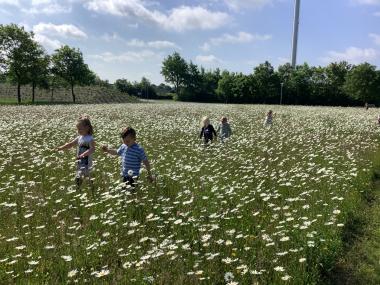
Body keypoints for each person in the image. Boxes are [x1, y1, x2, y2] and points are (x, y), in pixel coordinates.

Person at [56, 115, 95, 187]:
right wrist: (61, 148)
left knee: (87, 177)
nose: (78, 131)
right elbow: (71, 144)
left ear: (87, 128)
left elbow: (92, 149)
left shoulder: (90, 138)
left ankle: (91, 190)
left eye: (80, 129)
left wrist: (84, 154)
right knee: (78, 176)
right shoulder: (79, 138)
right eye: (77, 129)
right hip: (79, 161)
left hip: (87, 162)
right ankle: (78, 189)